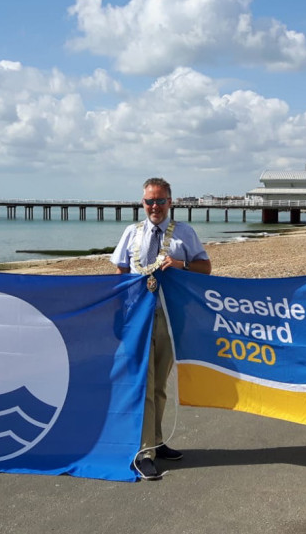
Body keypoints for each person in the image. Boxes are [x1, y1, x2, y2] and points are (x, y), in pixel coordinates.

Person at [111, 177, 211, 480]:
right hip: (138, 320)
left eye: (160, 201)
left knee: (159, 387)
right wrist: (120, 312)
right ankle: (143, 452)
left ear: (171, 202)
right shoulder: (132, 233)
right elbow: (120, 270)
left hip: (170, 317)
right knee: (144, 385)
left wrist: (181, 265)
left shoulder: (184, 233)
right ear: (142, 203)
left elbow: (206, 267)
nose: (154, 206)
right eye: (149, 201)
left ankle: (156, 440)